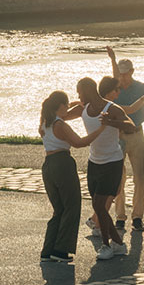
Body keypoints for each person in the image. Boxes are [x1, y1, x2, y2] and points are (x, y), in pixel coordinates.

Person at [37, 89, 106, 263]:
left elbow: (65, 113)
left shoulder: (44, 122)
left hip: (48, 165)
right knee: (72, 206)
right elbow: (79, 143)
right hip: (63, 163)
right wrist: (100, 129)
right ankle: (61, 250)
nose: (68, 108)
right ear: (60, 106)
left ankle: (48, 250)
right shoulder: (60, 125)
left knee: (58, 209)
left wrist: (76, 104)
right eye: (66, 105)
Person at [78, 75, 139, 261]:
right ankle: (118, 244)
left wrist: (110, 122)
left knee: (99, 206)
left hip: (112, 162)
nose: (78, 96)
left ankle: (106, 245)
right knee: (98, 206)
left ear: (88, 90)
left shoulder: (111, 108)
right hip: (94, 162)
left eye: (80, 93)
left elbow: (131, 126)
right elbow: (61, 115)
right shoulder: (84, 108)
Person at [107, 46, 144, 234]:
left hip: (137, 134)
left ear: (132, 72)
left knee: (139, 178)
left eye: (125, 73)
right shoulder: (114, 89)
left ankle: (137, 217)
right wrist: (112, 58)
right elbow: (127, 109)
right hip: (119, 135)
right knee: (119, 178)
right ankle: (120, 217)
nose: (122, 77)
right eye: (120, 73)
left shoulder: (141, 87)